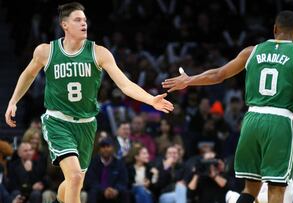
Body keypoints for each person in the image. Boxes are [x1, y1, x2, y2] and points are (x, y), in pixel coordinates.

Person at [162, 10, 293, 203]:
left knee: (251, 189)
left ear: (274, 29)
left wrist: (189, 80)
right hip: (280, 121)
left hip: (252, 119)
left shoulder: (251, 51)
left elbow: (218, 74)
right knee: (276, 190)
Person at [4, 2, 174, 203]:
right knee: (75, 176)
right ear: (65, 25)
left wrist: (150, 99)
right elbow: (28, 75)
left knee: (73, 182)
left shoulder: (99, 53)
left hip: (86, 125)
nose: (84, 23)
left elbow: (125, 85)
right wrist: (13, 101)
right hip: (58, 121)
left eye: (85, 20)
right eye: (77, 20)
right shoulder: (46, 51)